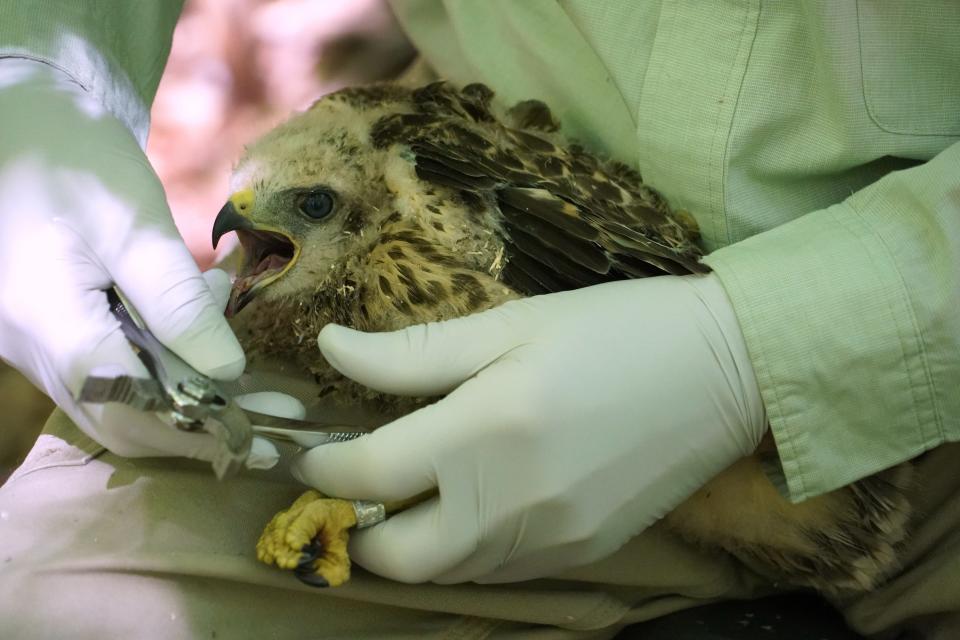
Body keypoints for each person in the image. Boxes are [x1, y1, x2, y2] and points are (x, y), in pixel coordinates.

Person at [0, 2, 957, 639]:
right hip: (423, 187)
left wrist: (766, 344)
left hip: (915, 402)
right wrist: (41, 58)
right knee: (43, 606)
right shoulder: (343, 220)